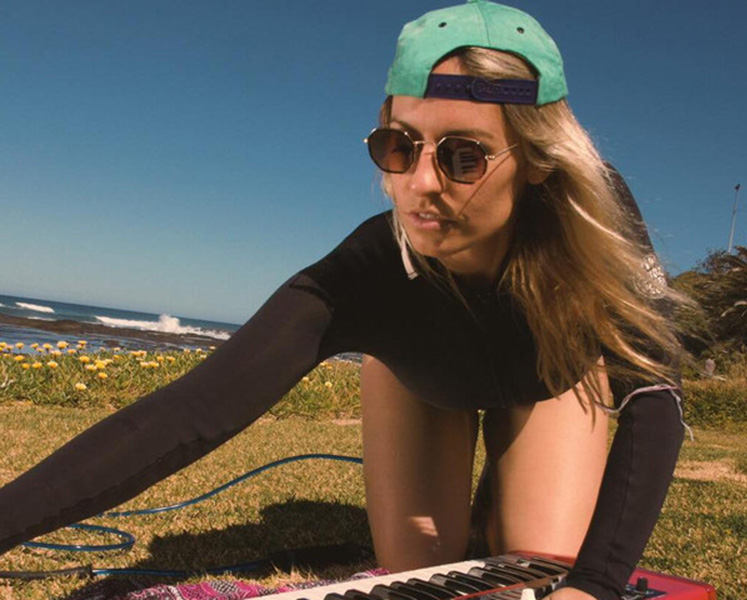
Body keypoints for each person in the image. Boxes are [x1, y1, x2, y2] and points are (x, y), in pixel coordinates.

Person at [0, 2, 687, 599]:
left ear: (536, 158)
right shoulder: (368, 268)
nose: (420, 183)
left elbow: (655, 396)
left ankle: (504, 497)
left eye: (464, 156)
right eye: (399, 146)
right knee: (425, 576)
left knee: (530, 567)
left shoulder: (592, 226)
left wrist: (596, 585)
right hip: (426, 385)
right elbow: (194, 411)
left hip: (550, 378)